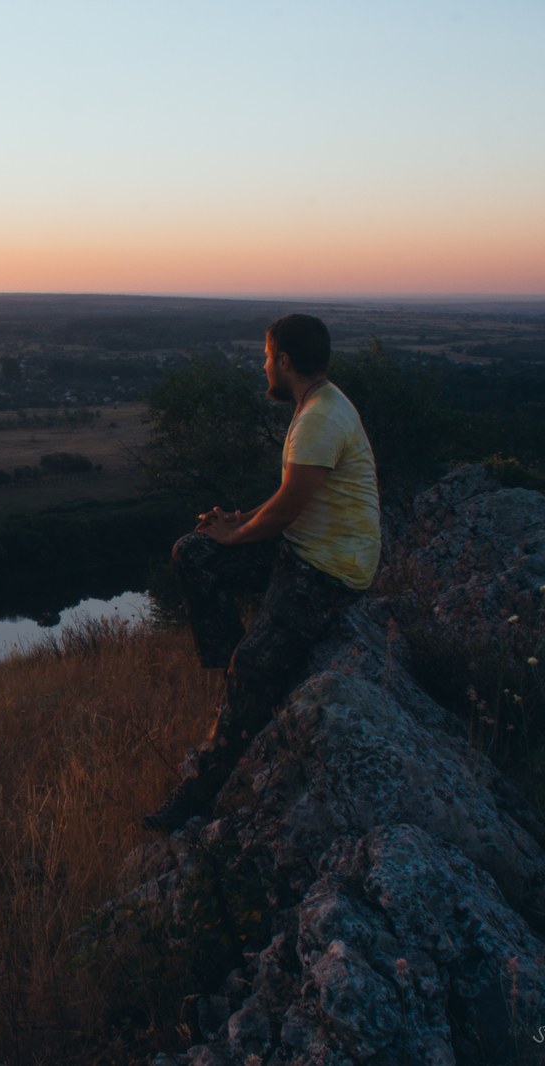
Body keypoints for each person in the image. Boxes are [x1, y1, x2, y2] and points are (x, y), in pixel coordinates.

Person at [143, 313, 380, 831]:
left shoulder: (319, 418)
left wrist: (238, 533)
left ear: (286, 361)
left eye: (267, 357)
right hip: (302, 549)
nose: (263, 365)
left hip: (328, 570)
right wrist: (236, 520)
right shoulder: (317, 403)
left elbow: (289, 508)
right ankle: (229, 671)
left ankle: (199, 794)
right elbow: (288, 498)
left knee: (252, 669)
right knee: (195, 551)